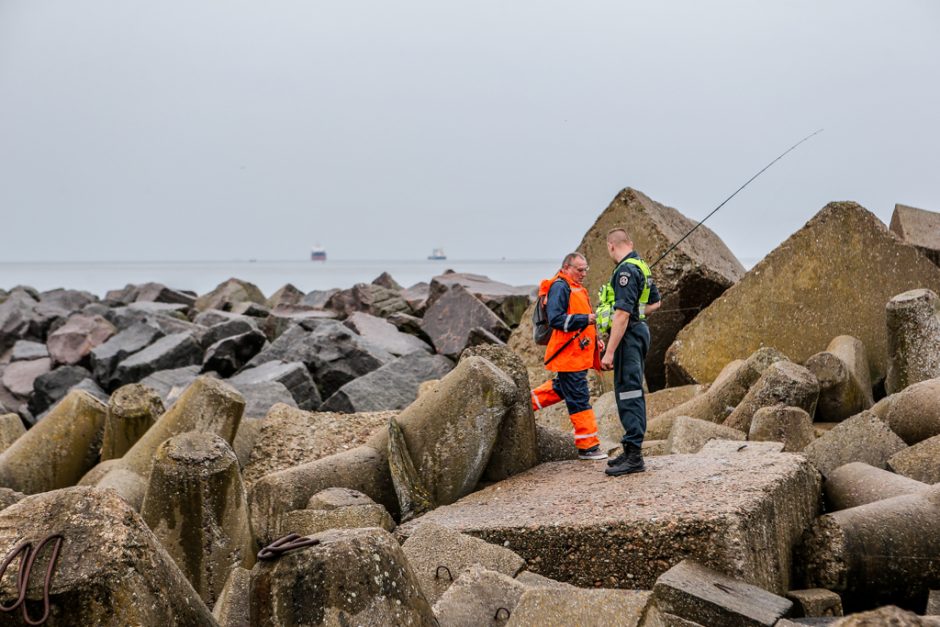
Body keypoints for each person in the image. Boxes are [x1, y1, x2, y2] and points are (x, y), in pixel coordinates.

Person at [530, 252, 608, 460]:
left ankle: (526, 404)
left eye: (585, 269)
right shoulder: (560, 287)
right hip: (568, 356)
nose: (583, 273)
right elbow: (557, 319)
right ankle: (588, 446)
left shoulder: (576, 288)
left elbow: (582, 321)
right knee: (579, 398)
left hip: (576, 355)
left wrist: (596, 339)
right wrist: (587, 319)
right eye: (579, 269)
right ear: (566, 268)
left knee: (561, 388)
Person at [600, 228, 661, 476]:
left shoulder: (625, 270)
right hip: (639, 331)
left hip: (629, 337)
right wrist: (638, 313)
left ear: (611, 246)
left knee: (629, 392)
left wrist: (610, 352)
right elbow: (656, 302)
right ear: (630, 243)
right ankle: (629, 448)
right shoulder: (642, 266)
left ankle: (634, 456)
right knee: (629, 389)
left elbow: (622, 314)